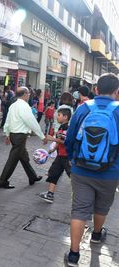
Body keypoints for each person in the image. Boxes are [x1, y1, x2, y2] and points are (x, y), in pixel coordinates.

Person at [63, 73, 119, 266]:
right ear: (117, 91)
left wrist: (72, 159)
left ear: (96, 90)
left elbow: (70, 137)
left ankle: (73, 254)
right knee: (102, 206)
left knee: (79, 210)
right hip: (110, 171)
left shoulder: (83, 108)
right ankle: (96, 235)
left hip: (81, 169)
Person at [0, 87, 47, 189]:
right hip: (20, 136)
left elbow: (8, 121)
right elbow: (31, 122)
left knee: (24, 157)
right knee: (12, 160)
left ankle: (32, 176)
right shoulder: (24, 106)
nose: (29, 95)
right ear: (25, 94)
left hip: (14, 135)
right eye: (28, 93)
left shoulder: (13, 105)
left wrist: (7, 134)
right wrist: (42, 136)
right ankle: (2, 181)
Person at [38, 108, 71, 203]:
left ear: (65, 117)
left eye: (59, 115)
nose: (57, 116)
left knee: (73, 176)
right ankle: (50, 194)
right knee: (54, 173)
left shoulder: (67, 128)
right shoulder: (61, 127)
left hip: (66, 156)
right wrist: (53, 149)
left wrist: (52, 139)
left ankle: (82, 197)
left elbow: (65, 142)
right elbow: (59, 142)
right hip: (60, 155)